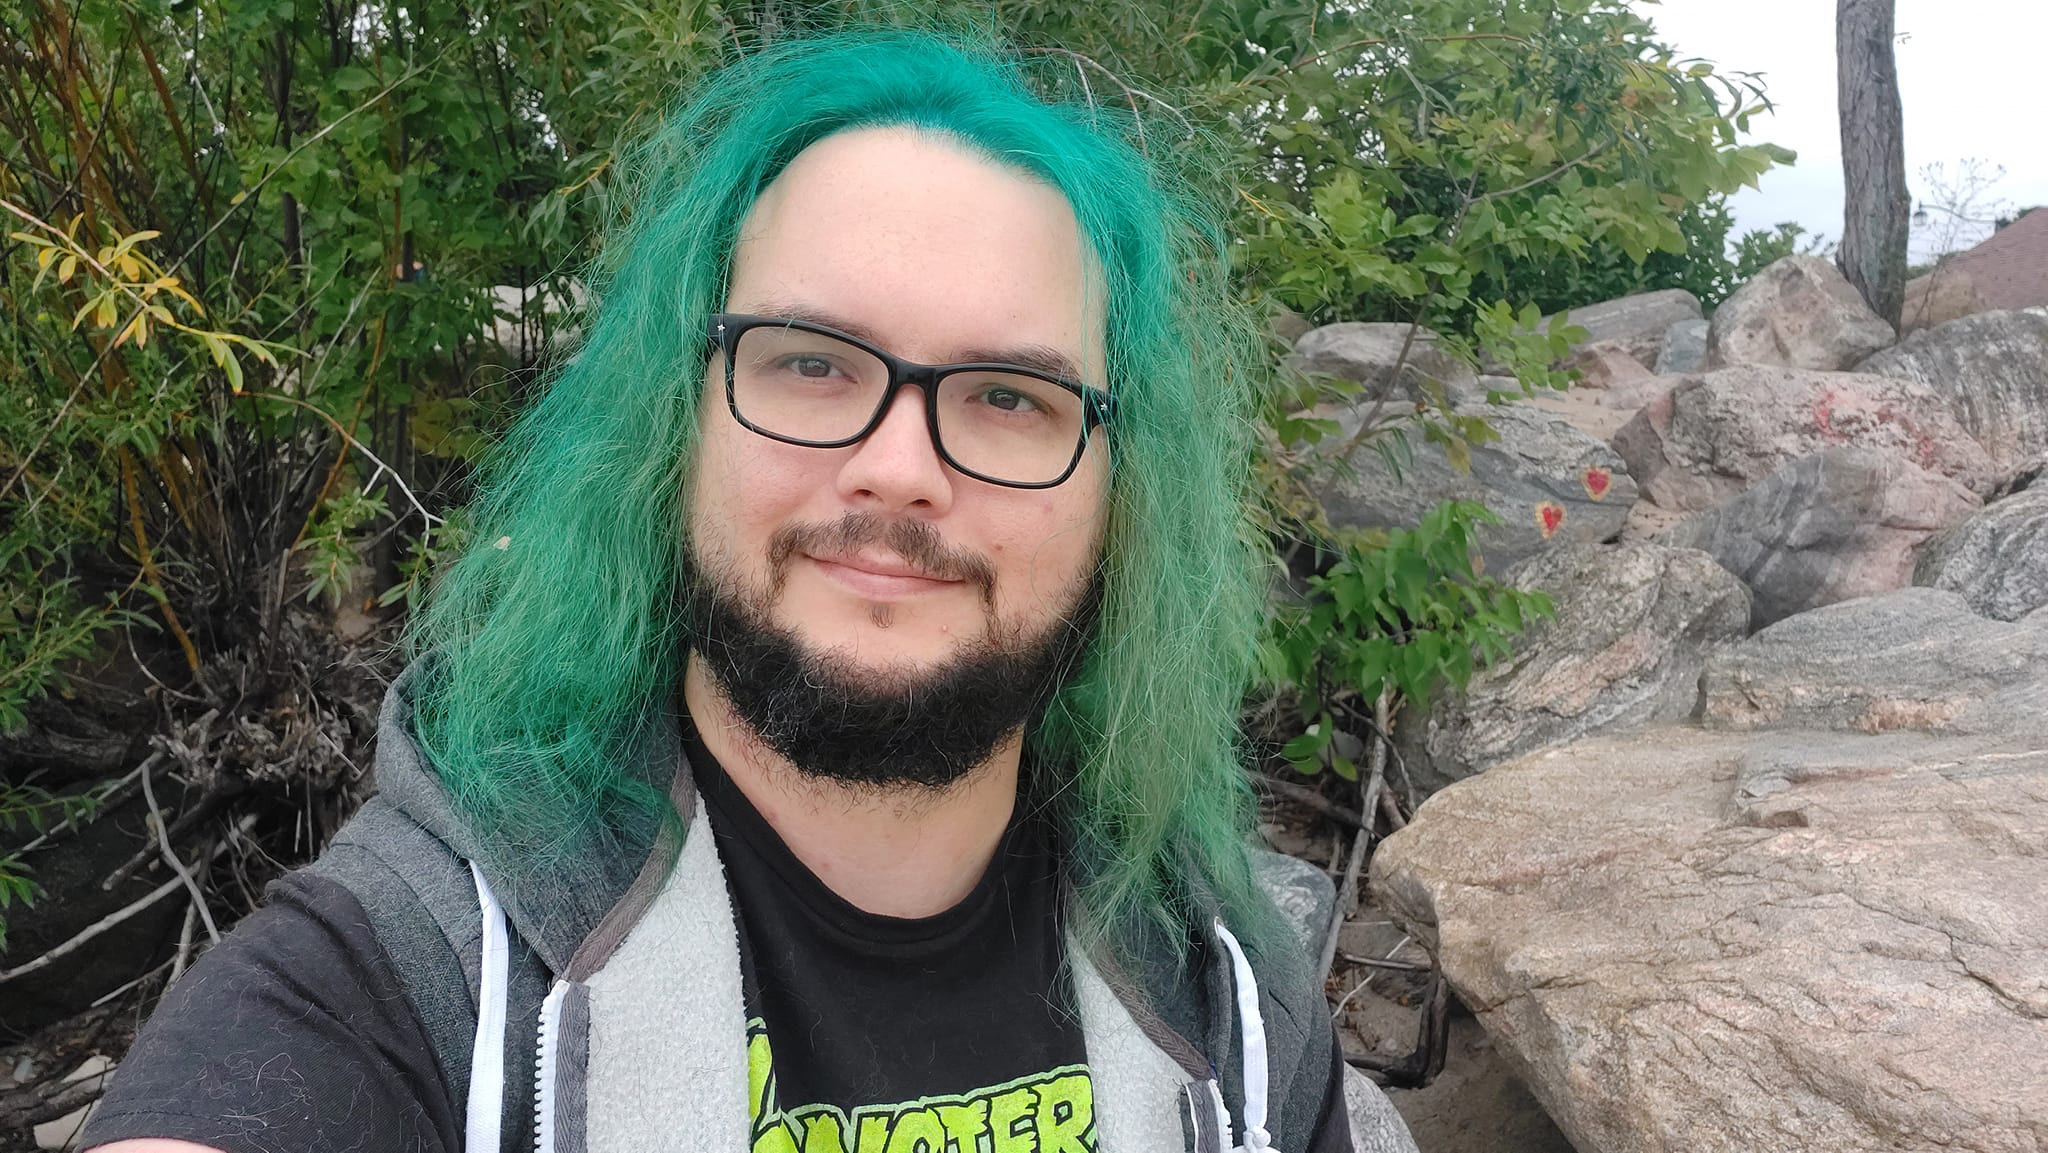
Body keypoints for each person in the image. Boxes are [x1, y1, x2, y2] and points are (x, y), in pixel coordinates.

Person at [82, 30, 1416, 1153]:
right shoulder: (431, 970)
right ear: (680, 423)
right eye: (811, 363)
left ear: (1123, 490)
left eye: (1011, 396)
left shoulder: (1231, 1000)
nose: (899, 470)